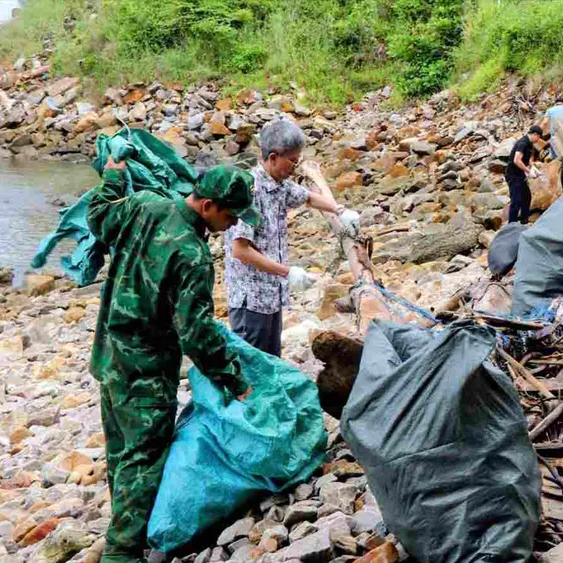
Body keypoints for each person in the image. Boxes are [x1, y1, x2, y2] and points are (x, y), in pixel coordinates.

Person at [87, 156, 257, 563]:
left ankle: (126, 533)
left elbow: (98, 216)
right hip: (146, 374)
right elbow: (196, 333)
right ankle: (121, 553)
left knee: (121, 454)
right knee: (143, 462)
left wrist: (113, 178)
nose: (234, 224)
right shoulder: (192, 255)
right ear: (208, 206)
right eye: (231, 216)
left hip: (109, 357)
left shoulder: (144, 205)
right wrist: (234, 381)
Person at [225, 118, 359, 357]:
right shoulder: (249, 191)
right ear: (273, 157)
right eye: (292, 161)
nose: (295, 168)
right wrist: (288, 272)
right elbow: (240, 250)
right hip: (250, 300)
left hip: (271, 295)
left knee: (272, 362)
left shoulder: (280, 185)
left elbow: (307, 197)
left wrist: (339, 211)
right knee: (252, 365)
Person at [505, 125, 542, 224]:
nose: (538, 140)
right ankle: (511, 225)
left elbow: (527, 158)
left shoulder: (529, 144)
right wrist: (528, 171)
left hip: (520, 174)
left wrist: (533, 167)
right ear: (535, 134)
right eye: (539, 137)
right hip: (513, 174)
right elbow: (517, 160)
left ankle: (524, 221)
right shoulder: (522, 143)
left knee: (526, 197)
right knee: (516, 200)